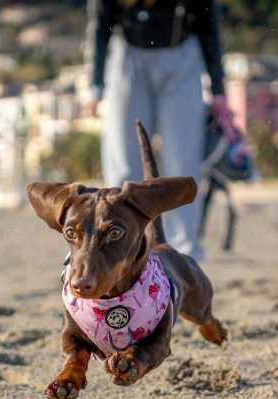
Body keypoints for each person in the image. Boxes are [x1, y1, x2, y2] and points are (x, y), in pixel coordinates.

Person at [84, 0, 246, 261]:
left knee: (183, 163)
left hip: (181, 57)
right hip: (127, 56)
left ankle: (183, 254)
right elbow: (100, 23)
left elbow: (207, 24)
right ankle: (121, 248)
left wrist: (218, 89)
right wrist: (95, 84)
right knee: (124, 164)